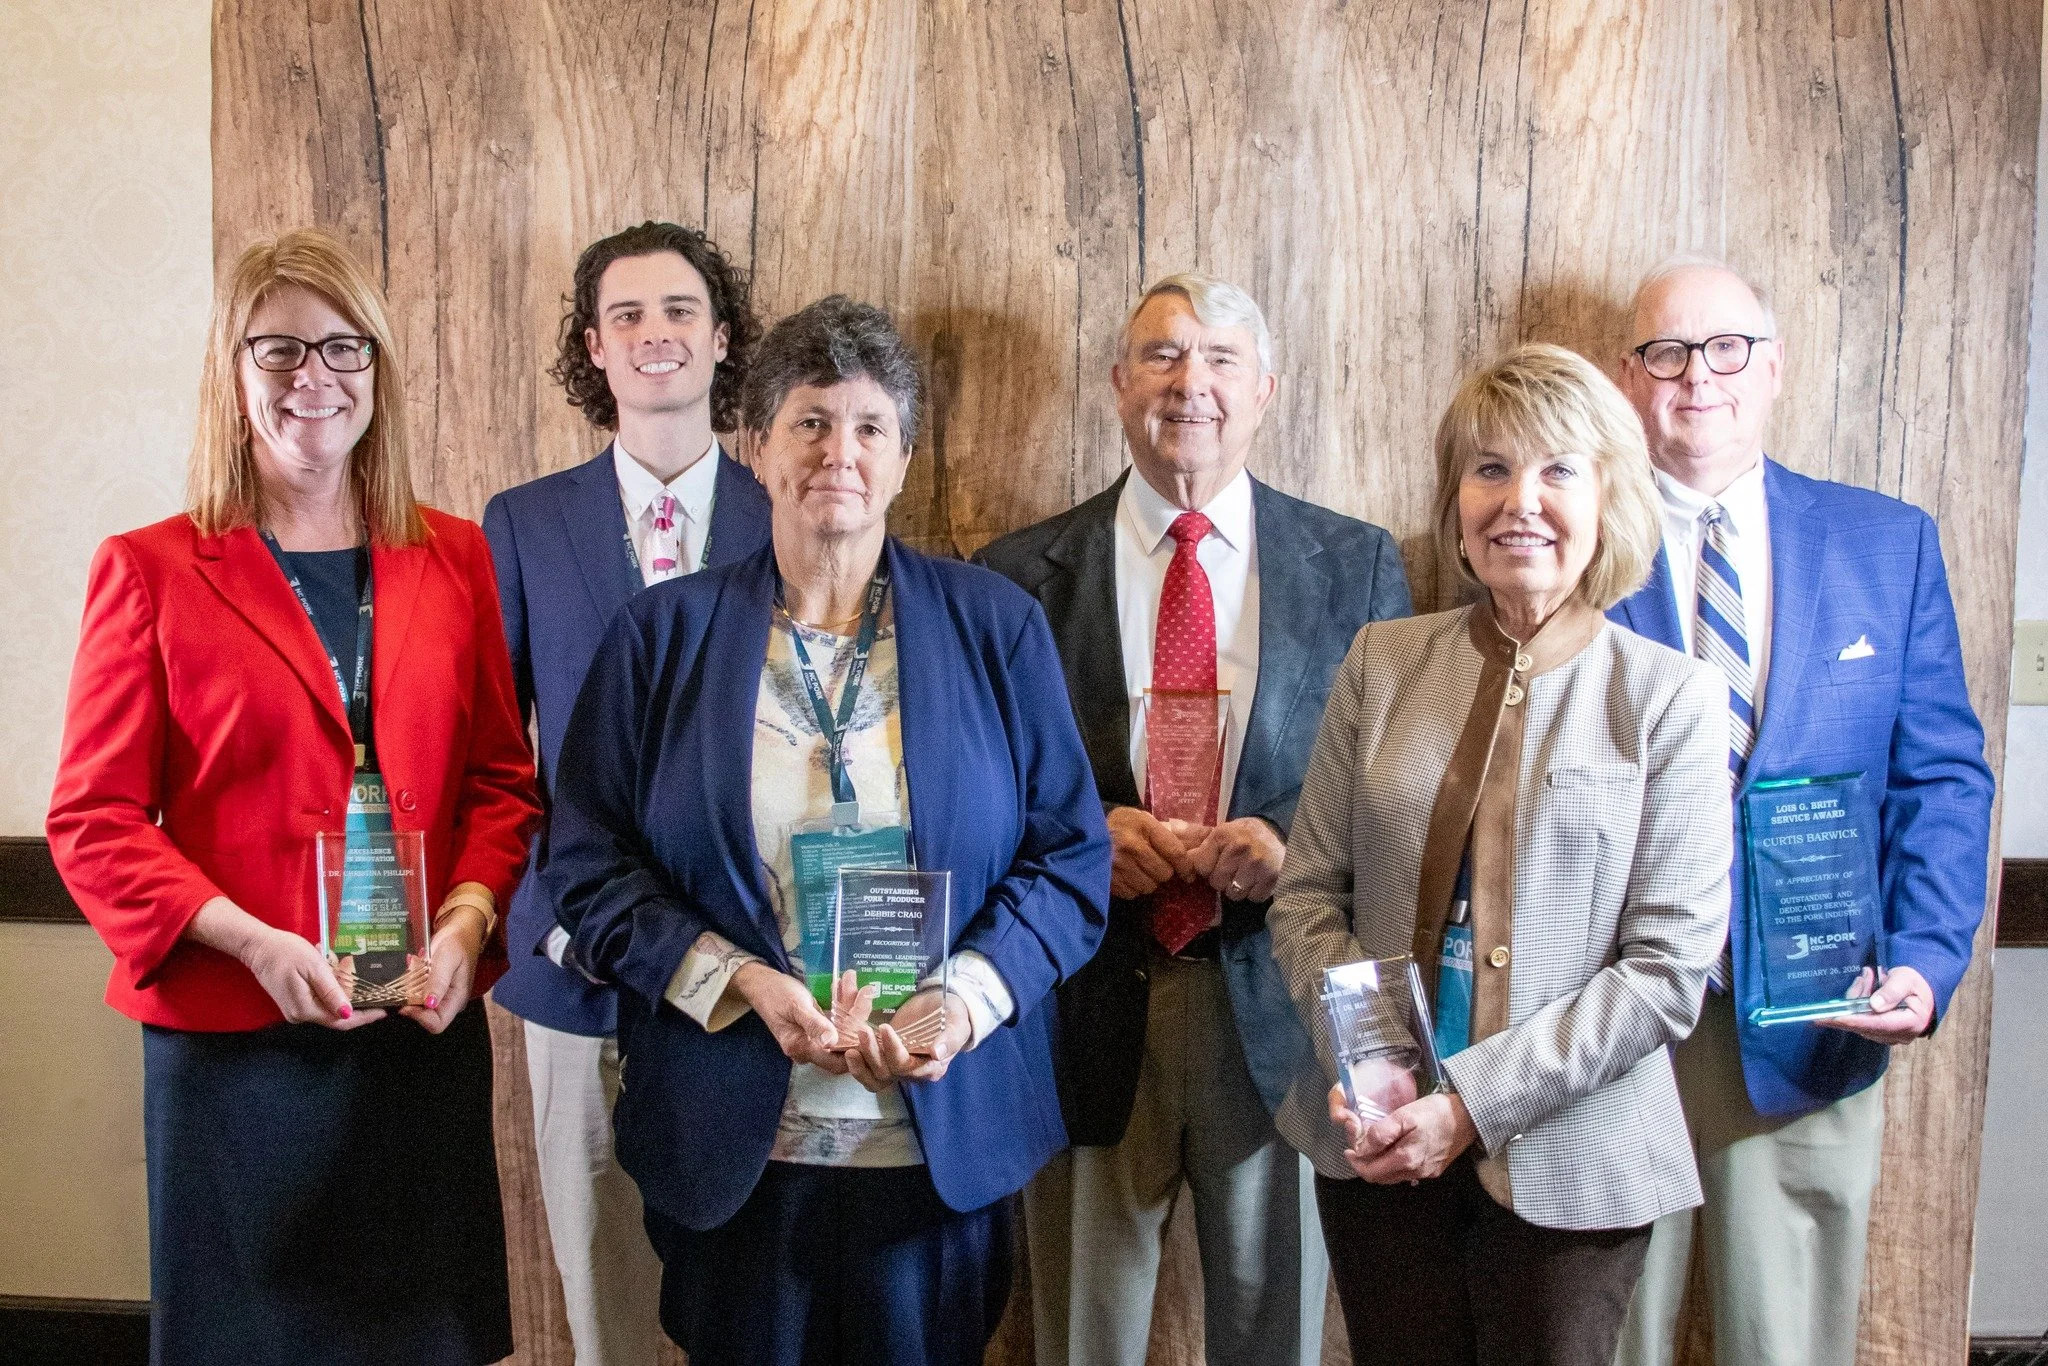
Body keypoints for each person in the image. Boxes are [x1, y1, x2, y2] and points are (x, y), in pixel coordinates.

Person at [542, 294, 1111, 1366]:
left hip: (937, 1145)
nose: (837, 452)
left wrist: (965, 1001)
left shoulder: (996, 626)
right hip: (731, 1140)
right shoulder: (660, 637)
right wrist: (737, 981)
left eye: (867, 426)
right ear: (757, 447)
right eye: (808, 421)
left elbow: (1070, 859)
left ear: (903, 460)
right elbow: (585, 864)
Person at [45, 228, 539, 1365]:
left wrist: (467, 925)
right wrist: (252, 942)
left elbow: (501, 783)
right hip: (237, 1050)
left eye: (341, 347)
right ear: (233, 373)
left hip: (415, 1030)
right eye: (278, 349)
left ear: (378, 369)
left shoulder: (454, 555)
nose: (313, 376)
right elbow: (91, 820)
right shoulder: (151, 569)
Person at [1268, 342, 1732, 1366]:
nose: (1519, 500)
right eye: (1490, 469)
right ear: (1457, 504)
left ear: (1607, 500)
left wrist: (1471, 1106)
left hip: (1576, 1168)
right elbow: (1306, 898)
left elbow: (1666, 971)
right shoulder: (1381, 663)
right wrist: (1373, 1074)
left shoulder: (1669, 698)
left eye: (1557, 469)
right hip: (1380, 1154)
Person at [978, 274, 1411, 1366]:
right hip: (1084, 1001)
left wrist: (1296, 854)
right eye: (1163, 355)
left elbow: (1397, 792)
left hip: (1278, 1003)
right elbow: (976, 799)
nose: (1191, 383)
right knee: (1083, 1339)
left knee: (1274, 1339)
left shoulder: (1357, 565)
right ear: (1117, 383)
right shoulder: (1014, 577)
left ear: (1265, 389)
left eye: (1220, 358)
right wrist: (1080, 841)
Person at [1608, 260, 1995, 1366]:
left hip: (1817, 1015)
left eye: (1726, 348)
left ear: (1772, 367)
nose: (1699, 376)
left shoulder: (1886, 543)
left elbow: (1940, 780)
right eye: (1667, 353)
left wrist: (1924, 959)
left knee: (1787, 1345)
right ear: (1628, 379)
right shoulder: (1573, 540)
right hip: (1610, 1022)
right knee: (1604, 1338)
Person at [482, 220, 771, 1366]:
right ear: (593, 347)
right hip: (578, 971)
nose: (656, 333)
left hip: (752, 974)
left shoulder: (782, 510)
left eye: (680, 310)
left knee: (744, 1293)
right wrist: (553, 919)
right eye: (627, 315)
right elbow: (495, 757)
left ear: (721, 338)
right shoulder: (522, 523)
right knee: (603, 1297)